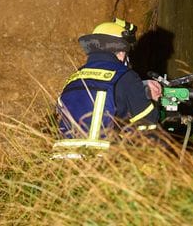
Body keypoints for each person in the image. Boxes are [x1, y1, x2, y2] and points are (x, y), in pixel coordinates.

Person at [53, 18, 162, 157]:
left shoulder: (73, 78)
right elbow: (147, 126)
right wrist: (153, 101)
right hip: (101, 162)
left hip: (62, 162)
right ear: (122, 52)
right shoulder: (126, 76)